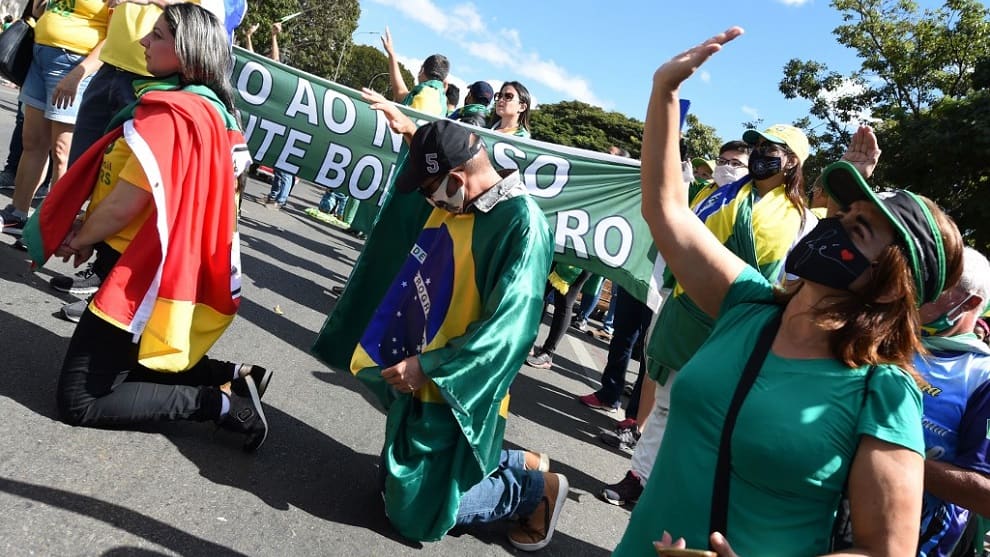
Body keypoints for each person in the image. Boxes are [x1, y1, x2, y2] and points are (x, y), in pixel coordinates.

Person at [623, 27, 963, 557]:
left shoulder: (883, 390)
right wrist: (664, 92)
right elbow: (665, 207)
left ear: (891, 278)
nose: (833, 226)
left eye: (858, 228)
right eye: (841, 214)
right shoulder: (746, 305)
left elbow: (884, 551)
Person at [22, 4, 268, 451]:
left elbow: (126, 203)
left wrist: (82, 236)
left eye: (156, 36)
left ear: (188, 55)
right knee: (130, 362)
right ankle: (234, 377)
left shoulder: (172, 113)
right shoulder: (208, 109)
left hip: (140, 271)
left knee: (80, 400)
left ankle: (223, 406)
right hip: (161, 261)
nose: (142, 42)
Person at [348, 91, 567, 550]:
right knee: (397, 474)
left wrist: (430, 367)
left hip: (457, 379)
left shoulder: (521, 224)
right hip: (424, 363)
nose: (430, 202)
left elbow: (511, 331)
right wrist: (410, 130)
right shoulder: (463, 199)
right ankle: (511, 463)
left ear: (454, 179)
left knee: (411, 513)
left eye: (431, 191)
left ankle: (531, 493)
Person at [601, 129, 808, 507]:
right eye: (758, 146)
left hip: (740, 326)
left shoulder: (800, 220)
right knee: (665, 402)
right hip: (687, 310)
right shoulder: (719, 196)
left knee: (706, 418)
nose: (761, 154)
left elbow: (791, 282)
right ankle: (639, 478)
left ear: (792, 161)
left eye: (771, 149)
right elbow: (682, 236)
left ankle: (675, 493)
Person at [317, 27, 449, 235]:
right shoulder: (431, 94)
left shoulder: (426, 96)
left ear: (422, 70)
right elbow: (401, 95)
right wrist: (392, 55)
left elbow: (415, 135)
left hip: (405, 169)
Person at [0, 0, 109, 234]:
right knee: (33, 143)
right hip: (41, 56)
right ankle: (17, 214)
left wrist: (79, 74)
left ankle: (49, 228)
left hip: (74, 63)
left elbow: (115, 37)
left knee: (63, 152)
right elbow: (43, 10)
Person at [913, 247, 990, 557]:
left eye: (937, 285)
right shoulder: (888, 338)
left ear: (970, 303)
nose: (919, 290)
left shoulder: (982, 376)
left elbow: (984, 494)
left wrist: (893, 460)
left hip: (918, 544)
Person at [254, 22, 299, 210]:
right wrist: (249, 37)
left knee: (284, 167)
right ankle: (275, 197)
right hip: (279, 127)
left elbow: (275, 60)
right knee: (278, 165)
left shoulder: (282, 83)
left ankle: (279, 200)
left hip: (288, 129)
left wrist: (273, 36)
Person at [525, 265, 592, 369]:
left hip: (582, 259)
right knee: (541, 291)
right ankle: (528, 341)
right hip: (561, 252)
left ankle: (547, 353)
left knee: (564, 302)